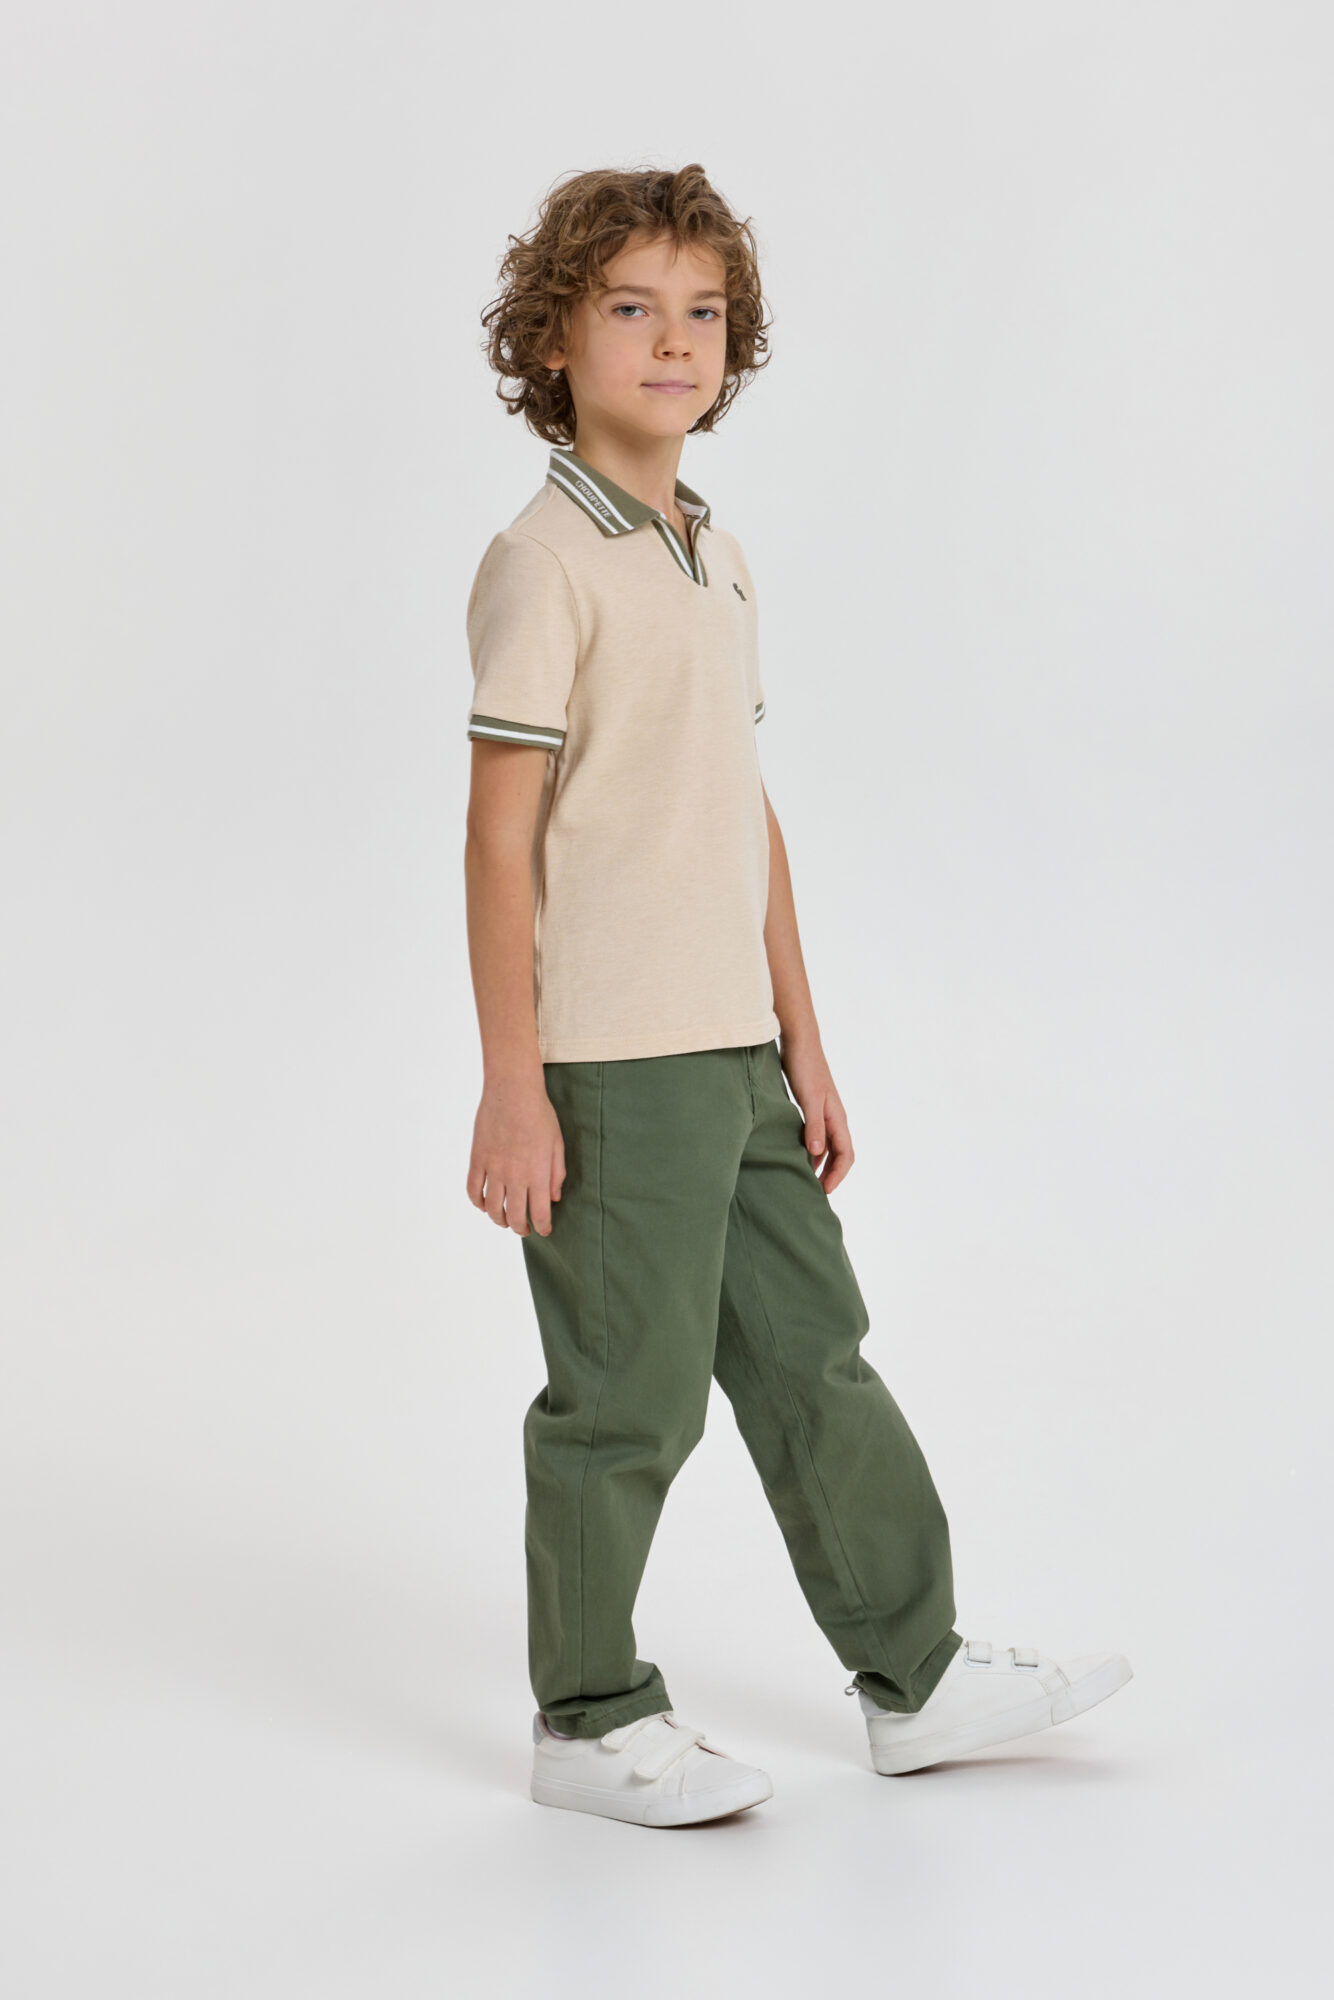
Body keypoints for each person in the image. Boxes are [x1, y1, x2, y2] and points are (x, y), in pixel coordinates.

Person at [462, 163, 1131, 1828]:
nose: (672, 341)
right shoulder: (544, 563)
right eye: (631, 308)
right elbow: (495, 835)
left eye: (701, 313)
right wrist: (512, 1081)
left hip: (733, 1053)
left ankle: (915, 1675)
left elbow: (738, 810)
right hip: (610, 1062)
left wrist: (803, 1043)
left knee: (812, 1358)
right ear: (553, 341)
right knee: (623, 1400)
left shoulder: (712, 552)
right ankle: (585, 1718)